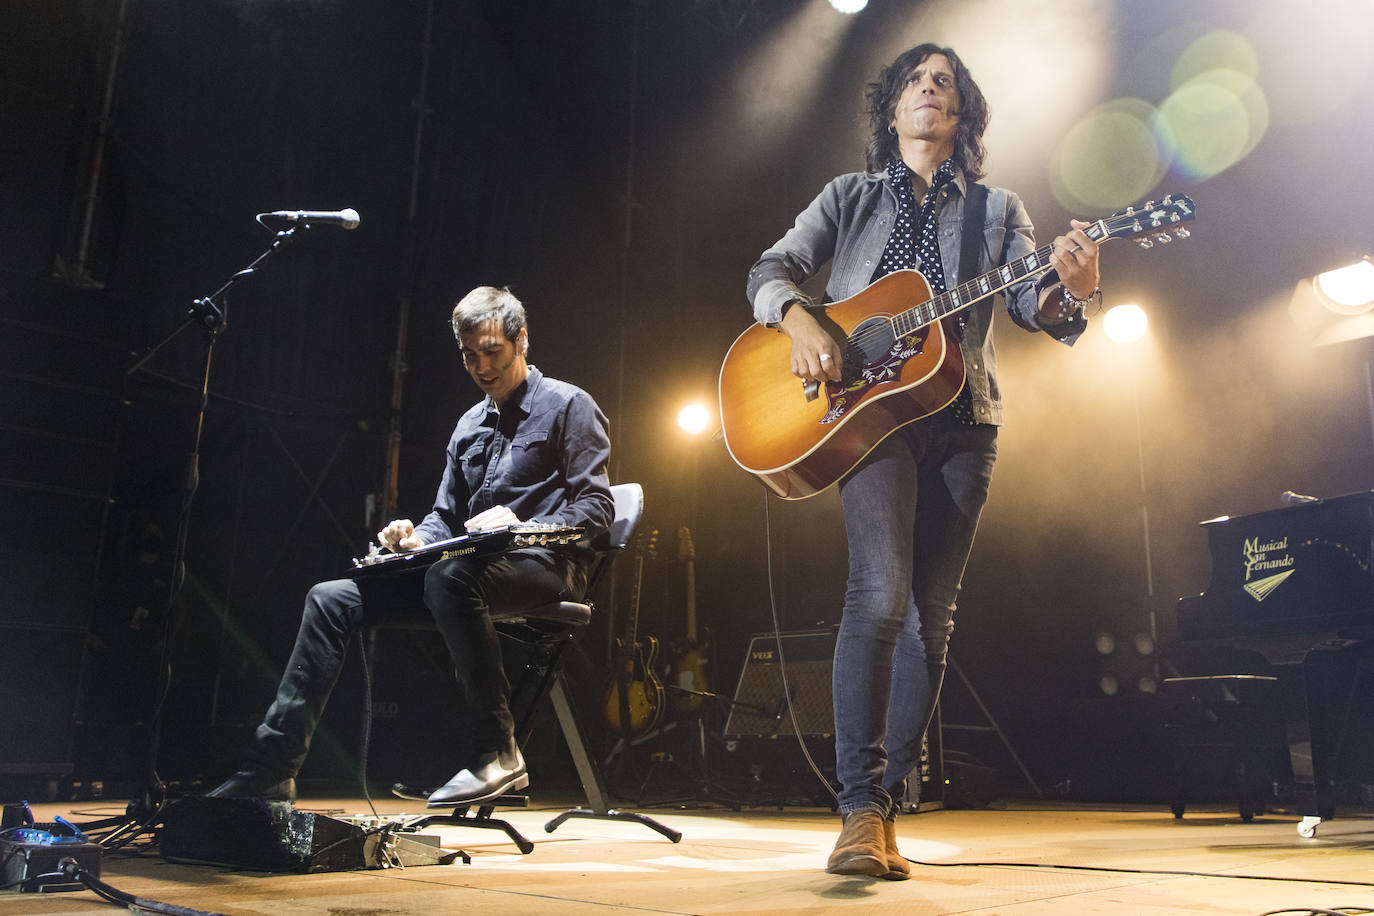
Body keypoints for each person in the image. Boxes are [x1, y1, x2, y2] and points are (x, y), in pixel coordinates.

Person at [745, 44, 1101, 878]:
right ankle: (859, 810)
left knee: (930, 623)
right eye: (915, 81)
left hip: (965, 418)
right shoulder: (850, 196)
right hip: (871, 418)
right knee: (879, 595)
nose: (929, 91)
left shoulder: (996, 208)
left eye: (944, 82)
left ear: (963, 112)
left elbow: (1032, 304)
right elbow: (772, 267)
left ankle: (890, 804)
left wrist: (1074, 287)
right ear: (893, 109)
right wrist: (798, 318)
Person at [207, 286, 614, 807]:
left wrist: (519, 524)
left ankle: (499, 753)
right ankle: (270, 768)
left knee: (450, 578)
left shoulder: (569, 405)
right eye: (470, 355)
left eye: (492, 352)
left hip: (545, 565)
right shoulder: (469, 425)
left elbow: (597, 510)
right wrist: (417, 538)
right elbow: (447, 515)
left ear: (522, 341)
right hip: (469, 575)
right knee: (330, 599)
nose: (481, 366)